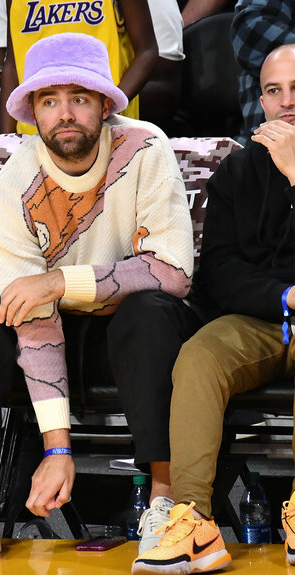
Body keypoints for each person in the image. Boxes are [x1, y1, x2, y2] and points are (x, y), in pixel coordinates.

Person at [0, 32, 200, 565]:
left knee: (149, 313)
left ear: (105, 102)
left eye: (79, 98)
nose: (65, 114)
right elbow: (33, 319)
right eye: (50, 101)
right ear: (32, 110)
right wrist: (57, 449)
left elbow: (172, 275)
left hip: (129, 330)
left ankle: (164, 502)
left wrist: (61, 282)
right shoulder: (12, 184)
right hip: (49, 340)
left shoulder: (145, 147)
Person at [132, 43, 295, 575]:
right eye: (274, 91)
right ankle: (193, 518)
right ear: (260, 100)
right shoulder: (238, 172)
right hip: (261, 319)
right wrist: (284, 297)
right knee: (199, 356)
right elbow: (221, 273)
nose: (286, 103)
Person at [0, 0, 158, 134]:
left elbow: (147, 50)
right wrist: (7, 137)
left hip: (107, 128)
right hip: (35, 132)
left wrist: (108, 108)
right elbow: (13, 63)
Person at [231, 0, 295, 143]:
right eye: (274, 90)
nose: (287, 102)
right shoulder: (237, 163)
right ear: (263, 103)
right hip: (259, 145)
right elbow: (249, 31)